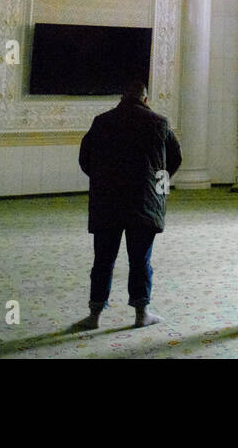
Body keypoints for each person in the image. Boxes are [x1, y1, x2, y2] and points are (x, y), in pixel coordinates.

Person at [75, 79, 182, 330]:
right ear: (146, 99)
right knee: (140, 261)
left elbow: (84, 159)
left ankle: (94, 316)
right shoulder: (159, 122)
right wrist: (159, 188)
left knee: (103, 260)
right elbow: (175, 159)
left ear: (122, 98)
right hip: (144, 204)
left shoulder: (101, 122)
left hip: (107, 204)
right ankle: (141, 314)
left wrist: (101, 181)